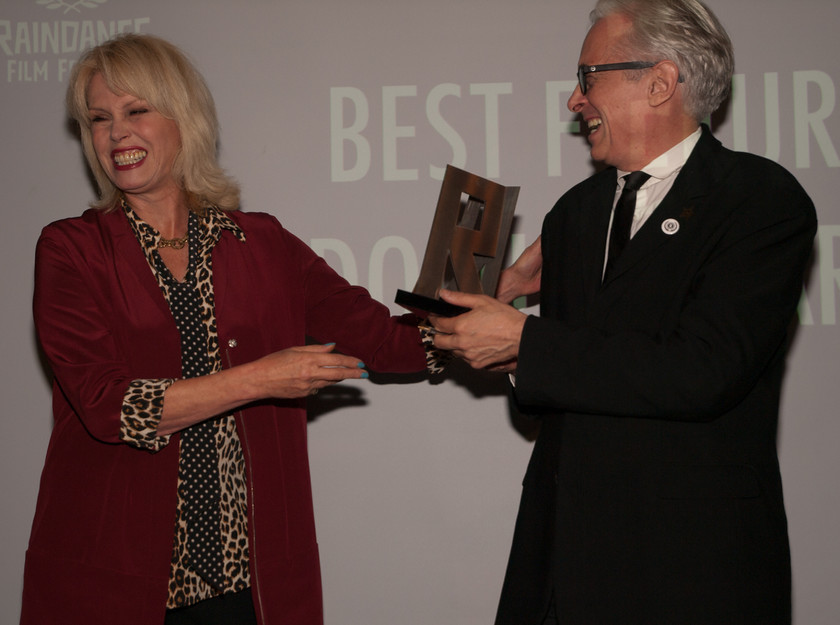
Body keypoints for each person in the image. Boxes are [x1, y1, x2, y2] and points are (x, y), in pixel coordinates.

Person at [22, 34, 438, 625]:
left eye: (136, 110)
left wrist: (475, 315)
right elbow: (110, 408)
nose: (116, 134)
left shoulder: (262, 242)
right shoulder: (71, 249)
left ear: (183, 118)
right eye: (99, 119)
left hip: (252, 590)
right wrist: (261, 377)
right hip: (116, 590)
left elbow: (385, 342)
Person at [431, 1, 817, 623]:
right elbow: (547, 404)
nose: (574, 100)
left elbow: (704, 370)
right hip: (562, 563)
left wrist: (528, 341)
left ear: (660, 82)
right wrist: (503, 346)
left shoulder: (758, 200)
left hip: (689, 569)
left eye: (589, 77)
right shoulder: (575, 214)